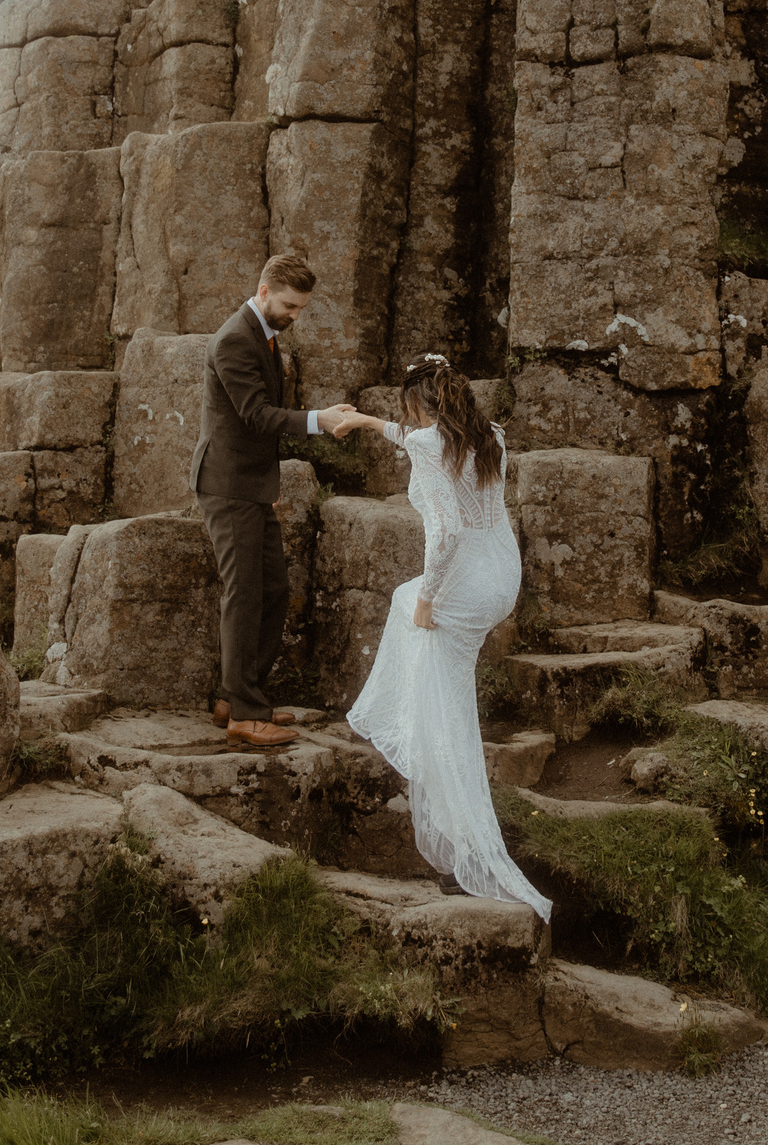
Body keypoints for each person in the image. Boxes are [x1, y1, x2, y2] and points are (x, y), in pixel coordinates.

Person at [322, 356, 552, 918]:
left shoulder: (430, 445)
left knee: (443, 697)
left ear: (420, 406)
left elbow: (445, 532)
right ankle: (393, 721)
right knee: (412, 624)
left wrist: (430, 599)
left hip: (465, 579)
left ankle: (468, 853)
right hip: (501, 576)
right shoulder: (487, 434)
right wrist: (372, 424)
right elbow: (418, 441)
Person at [190, 251, 354, 749]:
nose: (295, 316)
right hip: (228, 485)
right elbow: (258, 416)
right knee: (244, 597)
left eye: (301, 309)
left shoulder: (261, 332)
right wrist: (318, 419)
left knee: (273, 590)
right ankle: (243, 713)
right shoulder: (235, 339)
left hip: (251, 485)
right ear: (264, 292)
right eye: (289, 305)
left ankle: (236, 696)